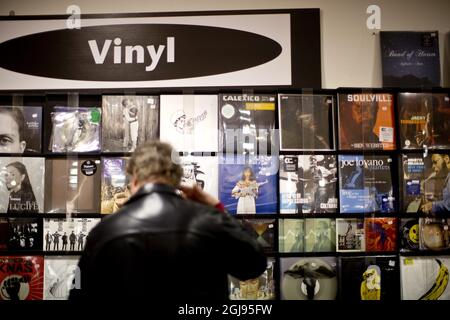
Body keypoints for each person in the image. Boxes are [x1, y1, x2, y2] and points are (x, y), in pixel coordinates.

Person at [69, 141, 266, 301]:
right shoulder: (208, 219)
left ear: (135, 177)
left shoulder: (105, 230)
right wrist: (216, 208)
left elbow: (79, 296)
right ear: (177, 179)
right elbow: (253, 265)